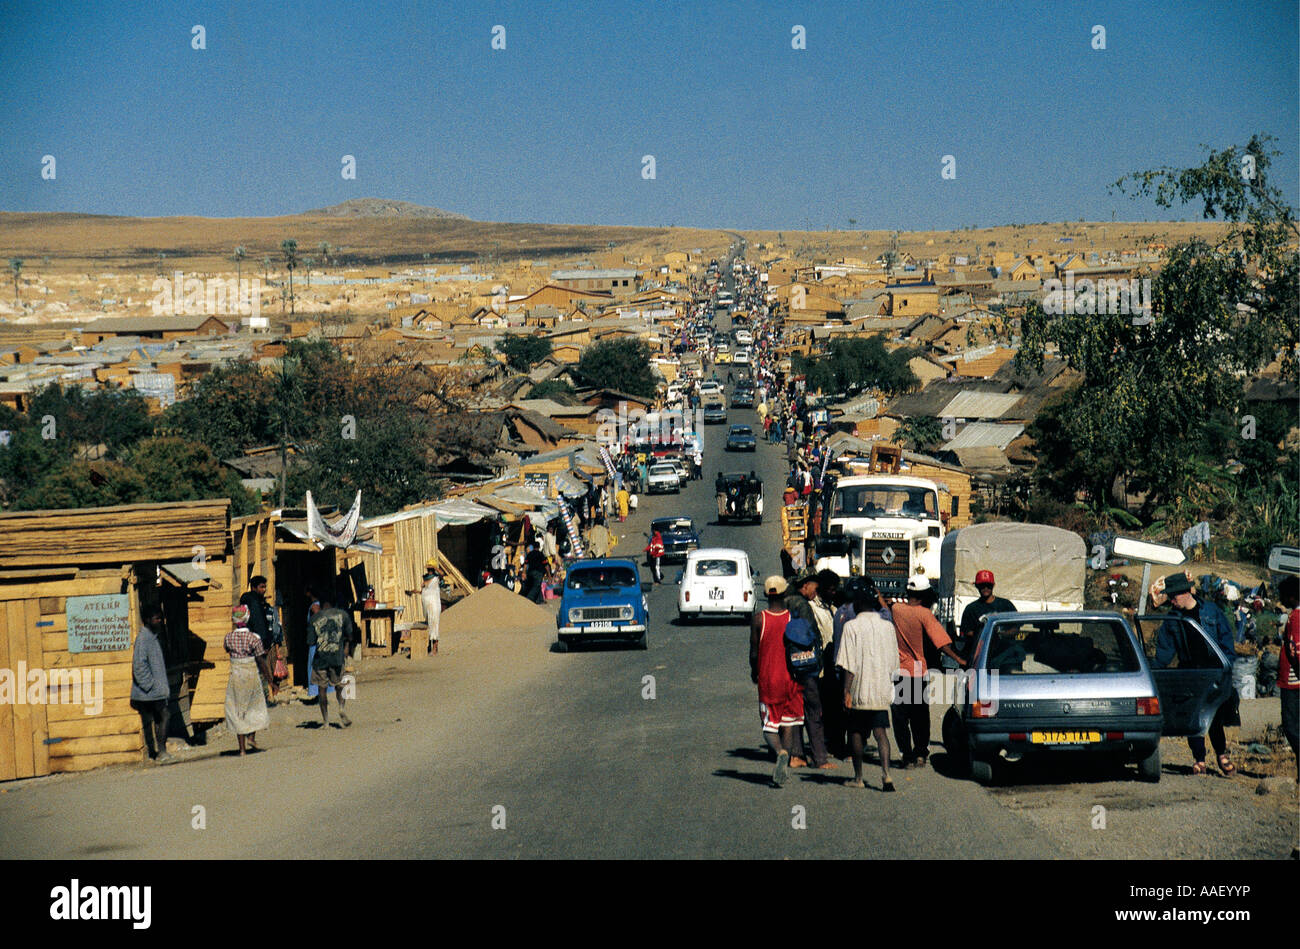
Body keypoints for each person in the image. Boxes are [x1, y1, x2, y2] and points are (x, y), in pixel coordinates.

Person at [1154, 572, 1239, 776]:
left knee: (1215, 714)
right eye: (1170, 597)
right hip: (1189, 671)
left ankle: (1221, 754)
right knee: (1192, 715)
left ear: (1186, 592)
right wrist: (1154, 670)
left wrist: (1226, 667)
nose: (1172, 600)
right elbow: (1164, 650)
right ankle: (1199, 758)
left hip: (1213, 670)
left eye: (1174, 596)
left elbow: (1227, 641)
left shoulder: (1211, 611)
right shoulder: (1172, 618)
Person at [889, 578, 967, 768]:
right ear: (925, 595)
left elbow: (887, 603)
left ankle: (906, 756)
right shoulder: (925, 615)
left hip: (900, 671)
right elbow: (942, 643)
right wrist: (960, 660)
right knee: (919, 717)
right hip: (918, 672)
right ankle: (920, 754)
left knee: (900, 717)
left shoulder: (896, 609)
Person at [837, 580, 898, 791]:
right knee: (881, 733)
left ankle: (859, 777)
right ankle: (887, 775)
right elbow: (893, 663)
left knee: (855, 733)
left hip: (859, 691)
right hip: (881, 689)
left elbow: (849, 664)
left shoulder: (851, 627)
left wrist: (846, 691)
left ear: (857, 604)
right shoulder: (888, 627)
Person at [750, 576, 804, 786]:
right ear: (785, 594)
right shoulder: (792, 617)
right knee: (788, 723)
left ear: (766, 594)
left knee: (769, 726)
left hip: (769, 679)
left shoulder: (759, 619)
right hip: (791, 679)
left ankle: (779, 751)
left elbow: (754, 652)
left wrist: (754, 672)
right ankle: (786, 758)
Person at [783, 570, 833, 769]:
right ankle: (819, 758)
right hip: (807, 667)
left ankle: (797, 755)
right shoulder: (802, 605)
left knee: (796, 712)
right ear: (805, 585)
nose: (817, 590)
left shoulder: (787, 602)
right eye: (815, 586)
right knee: (814, 711)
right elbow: (809, 636)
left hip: (791, 667)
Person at [224, 604, 271, 755]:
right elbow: (260, 660)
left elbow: (227, 650)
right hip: (251, 674)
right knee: (254, 706)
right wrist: (270, 680)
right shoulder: (254, 638)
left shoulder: (228, 638)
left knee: (238, 710)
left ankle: (242, 749)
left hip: (236, 676)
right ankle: (252, 736)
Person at [130, 604, 173, 763]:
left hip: (154, 690)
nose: (160, 621)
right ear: (148, 620)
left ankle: (159, 752)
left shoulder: (152, 637)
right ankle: (160, 752)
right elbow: (139, 666)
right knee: (163, 716)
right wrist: (152, 686)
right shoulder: (144, 638)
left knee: (160, 717)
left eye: (161, 618)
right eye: (156, 619)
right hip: (149, 692)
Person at [307, 597, 356, 728]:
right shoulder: (343, 615)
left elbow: (311, 641)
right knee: (339, 685)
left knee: (322, 689)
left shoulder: (315, 619)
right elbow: (350, 636)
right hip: (337, 657)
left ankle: (326, 721)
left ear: (321, 605)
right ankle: (341, 708)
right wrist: (345, 647)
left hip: (320, 659)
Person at [958, 570, 1017, 658]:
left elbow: (1015, 628)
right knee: (991, 672)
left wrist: (1001, 635)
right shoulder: (971, 609)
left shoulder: (1006, 605)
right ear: (977, 586)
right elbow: (967, 632)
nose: (986, 588)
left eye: (988, 585)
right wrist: (984, 636)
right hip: (981, 656)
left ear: (993, 585)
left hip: (1004, 656)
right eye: (982, 585)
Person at [240, 575, 278, 701]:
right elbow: (259, 623)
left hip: (246, 641)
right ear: (254, 587)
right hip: (257, 642)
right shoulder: (255, 602)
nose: (264, 590)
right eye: (262, 587)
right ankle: (262, 698)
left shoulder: (247, 600)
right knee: (260, 670)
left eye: (265, 587)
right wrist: (265, 643)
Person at [1278, 575, 1299, 784]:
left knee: (1291, 725)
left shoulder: (1296, 617)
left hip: (1294, 680)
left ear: (1292, 597)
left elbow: (1298, 649)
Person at [406, 560, 442, 655]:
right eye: (428, 568)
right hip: (426, 605)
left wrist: (435, 567)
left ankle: (435, 648)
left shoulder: (436, 578)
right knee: (429, 625)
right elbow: (424, 592)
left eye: (431, 568)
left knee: (434, 625)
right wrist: (415, 592)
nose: (429, 570)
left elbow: (443, 574)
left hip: (434, 604)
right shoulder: (425, 579)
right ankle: (430, 647)